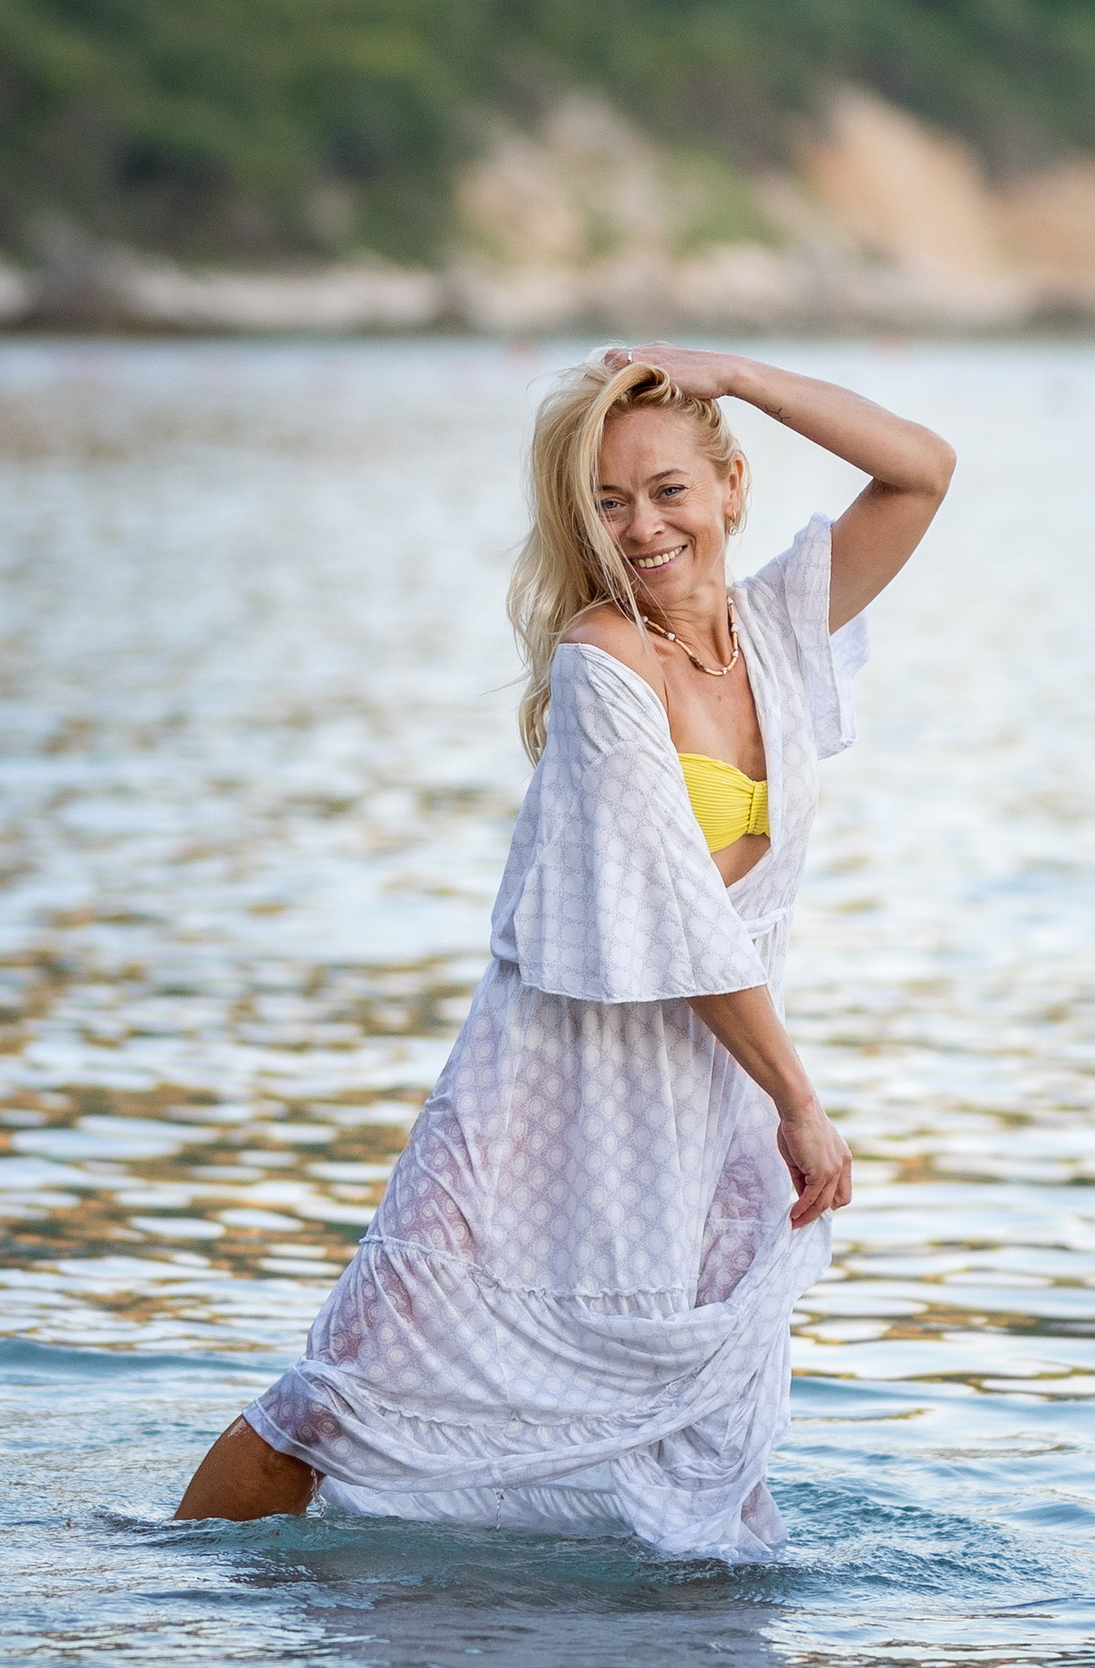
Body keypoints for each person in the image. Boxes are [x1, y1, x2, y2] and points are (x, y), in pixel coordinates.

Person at [175, 343, 955, 1561]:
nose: (641, 526)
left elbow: (922, 472)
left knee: (689, 1404)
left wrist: (736, 374)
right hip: (543, 1084)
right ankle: (152, 1586)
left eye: (667, 489)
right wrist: (800, 1100)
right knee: (352, 1382)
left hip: (697, 1097)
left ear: (731, 487)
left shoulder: (779, 630)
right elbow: (686, 926)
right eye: (607, 500)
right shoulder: (602, 663)